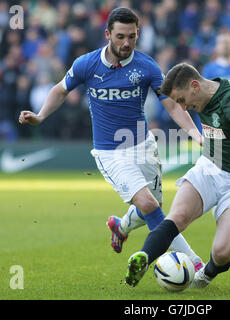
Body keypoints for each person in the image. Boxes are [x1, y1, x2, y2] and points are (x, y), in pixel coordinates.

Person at [18, 8, 203, 270]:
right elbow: (60, 90)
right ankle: (193, 264)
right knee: (150, 205)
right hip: (110, 153)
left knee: (153, 206)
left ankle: (121, 225)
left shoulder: (147, 66)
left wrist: (194, 132)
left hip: (144, 146)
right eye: (120, 36)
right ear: (108, 34)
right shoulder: (87, 64)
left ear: (138, 34)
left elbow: (172, 105)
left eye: (132, 36)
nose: (126, 43)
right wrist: (40, 115)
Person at [124, 62, 230, 288]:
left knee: (222, 252)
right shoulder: (203, 98)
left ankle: (205, 276)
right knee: (178, 216)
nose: (183, 108)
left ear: (194, 86)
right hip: (208, 167)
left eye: (181, 100)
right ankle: (143, 259)